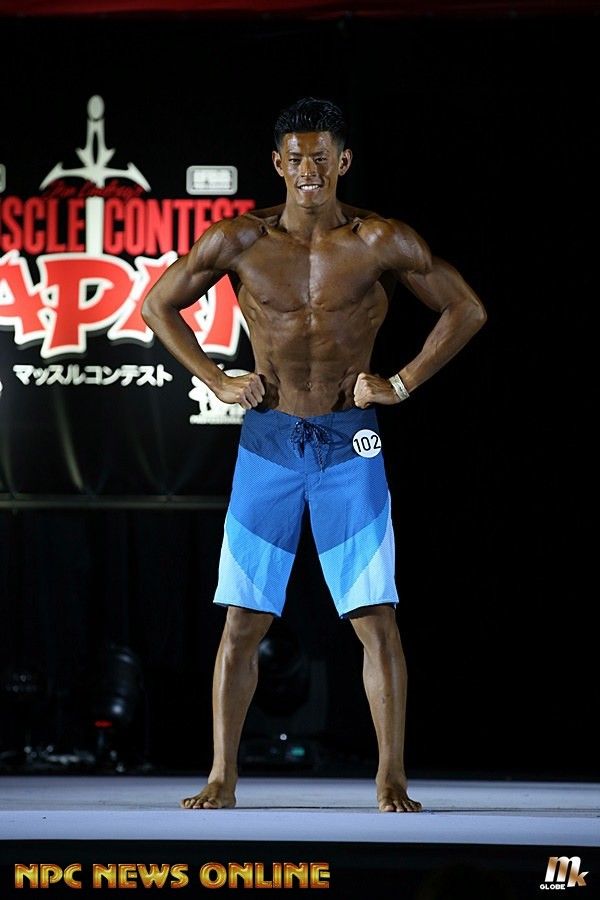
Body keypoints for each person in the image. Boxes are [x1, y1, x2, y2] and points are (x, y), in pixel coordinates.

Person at [142, 97, 486, 813]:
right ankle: (222, 776)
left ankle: (390, 777)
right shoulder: (239, 239)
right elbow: (157, 305)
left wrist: (402, 383)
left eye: (321, 157)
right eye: (296, 158)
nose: (308, 169)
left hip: (349, 442)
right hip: (268, 444)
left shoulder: (378, 241)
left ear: (343, 161)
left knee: (375, 618)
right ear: (278, 164)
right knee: (242, 621)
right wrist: (215, 378)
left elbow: (467, 308)